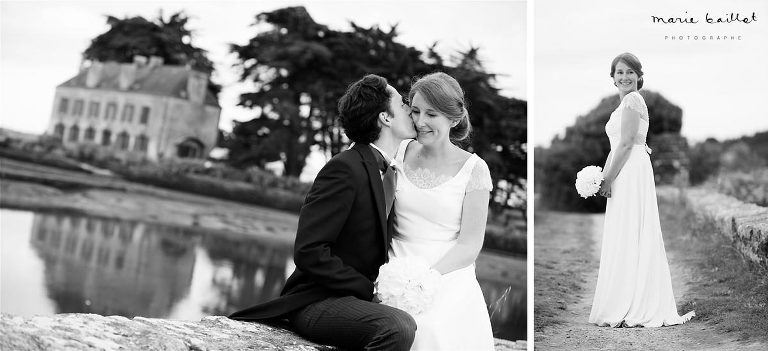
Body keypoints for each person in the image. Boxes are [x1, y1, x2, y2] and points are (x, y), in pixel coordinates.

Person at [229, 74, 419, 350]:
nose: (409, 109)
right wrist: (369, 290)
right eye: (402, 104)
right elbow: (309, 251)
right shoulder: (344, 168)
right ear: (385, 118)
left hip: (354, 302)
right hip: (317, 300)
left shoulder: (390, 173)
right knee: (397, 327)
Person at [389, 72, 495, 350]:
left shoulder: (474, 169)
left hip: (447, 272)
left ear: (454, 119)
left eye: (431, 114)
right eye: (415, 111)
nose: (420, 122)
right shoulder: (398, 152)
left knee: (428, 330)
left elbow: (470, 244)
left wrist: (428, 277)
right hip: (392, 265)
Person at [589, 53, 695, 327]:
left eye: (630, 72)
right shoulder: (624, 103)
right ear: (612, 77)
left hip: (631, 170)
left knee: (632, 230)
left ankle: (634, 304)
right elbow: (617, 147)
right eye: (619, 72)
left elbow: (625, 144)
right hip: (626, 168)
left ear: (639, 76)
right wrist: (602, 175)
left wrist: (608, 179)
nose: (624, 77)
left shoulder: (634, 100)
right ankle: (626, 300)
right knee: (626, 232)